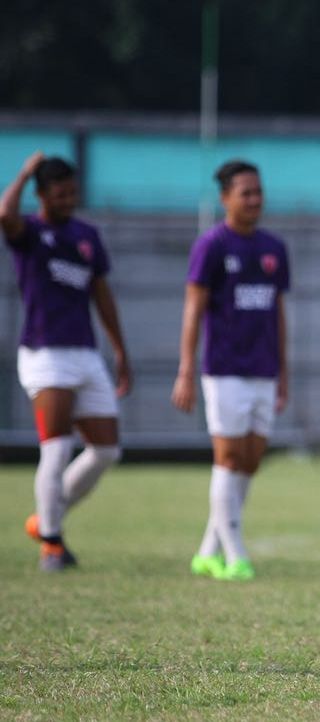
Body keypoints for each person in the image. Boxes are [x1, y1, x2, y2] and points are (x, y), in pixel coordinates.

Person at [1, 152, 130, 572]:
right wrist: (22, 173)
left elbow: (102, 295)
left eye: (73, 192)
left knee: (106, 449)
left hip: (85, 353)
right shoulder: (32, 233)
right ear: (41, 195)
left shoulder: (86, 236)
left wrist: (120, 348)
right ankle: (52, 545)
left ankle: (45, 518)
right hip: (45, 354)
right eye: (60, 193)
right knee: (56, 449)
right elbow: (5, 213)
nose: (69, 200)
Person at [172, 159, 290, 582]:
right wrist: (186, 369)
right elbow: (193, 309)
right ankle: (236, 554)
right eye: (246, 193)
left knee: (250, 460)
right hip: (223, 371)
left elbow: (278, 313)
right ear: (225, 198)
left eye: (258, 192)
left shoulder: (274, 248)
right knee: (227, 458)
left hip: (263, 370)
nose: (255, 199)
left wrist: (283, 372)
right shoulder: (212, 246)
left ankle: (207, 551)